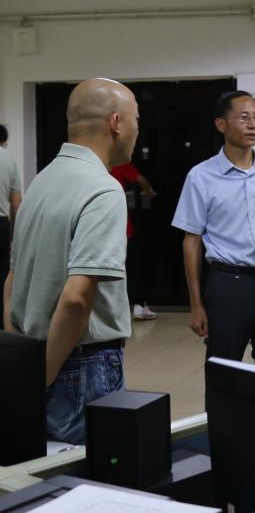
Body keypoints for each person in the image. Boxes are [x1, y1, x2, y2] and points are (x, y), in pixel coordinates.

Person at [3, 78, 138, 444]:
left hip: (34, 352)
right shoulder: (103, 190)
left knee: (43, 469)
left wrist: (23, 362)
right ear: (115, 122)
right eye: (136, 119)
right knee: (92, 471)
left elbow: (11, 281)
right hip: (81, 364)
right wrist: (45, 375)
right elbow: (78, 297)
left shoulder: (41, 182)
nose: (137, 130)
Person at [172, 90, 255, 363]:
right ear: (221, 124)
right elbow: (191, 241)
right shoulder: (201, 176)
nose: (253, 125)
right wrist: (196, 304)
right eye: (244, 117)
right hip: (228, 284)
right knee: (224, 366)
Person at [110, 162, 157, 320]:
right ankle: (138, 306)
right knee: (132, 266)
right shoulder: (120, 163)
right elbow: (141, 180)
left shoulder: (93, 163)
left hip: (99, 227)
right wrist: (148, 192)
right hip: (121, 226)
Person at [0, 124, 22, 323]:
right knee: (2, 276)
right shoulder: (8, 160)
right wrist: (15, 235)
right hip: (1, 225)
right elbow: (16, 203)